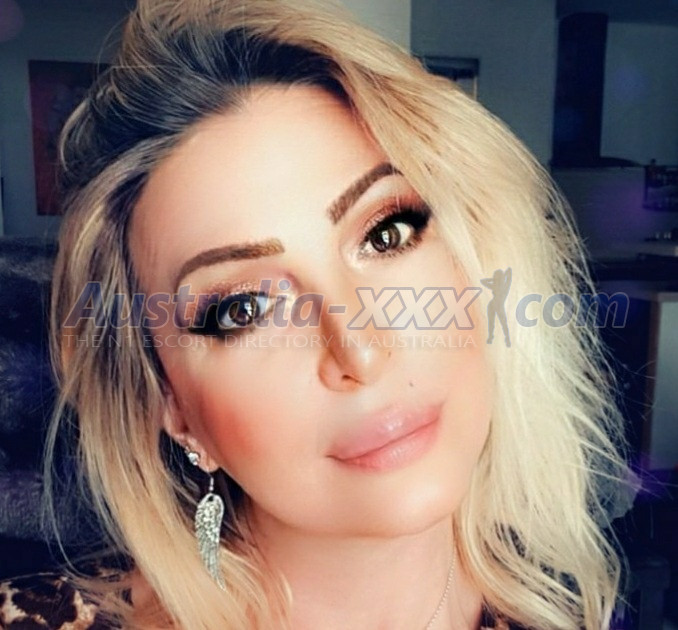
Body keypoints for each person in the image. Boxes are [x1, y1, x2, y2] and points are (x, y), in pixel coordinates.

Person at [0, 0, 631, 628]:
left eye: (386, 234)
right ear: (174, 405)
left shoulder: (565, 608)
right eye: (244, 308)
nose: (361, 350)